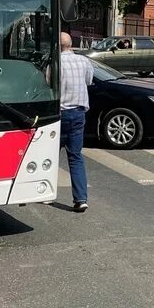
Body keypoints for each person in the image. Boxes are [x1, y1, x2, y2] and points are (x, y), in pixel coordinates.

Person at [58, 32, 93, 213]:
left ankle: (46, 194)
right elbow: (88, 81)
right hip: (79, 113)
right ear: (71, 44)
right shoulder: (84, 61)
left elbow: (49, 84)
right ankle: (80, 199)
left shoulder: (55, 62)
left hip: (60, 114)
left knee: (50, 154)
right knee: (76, 156)